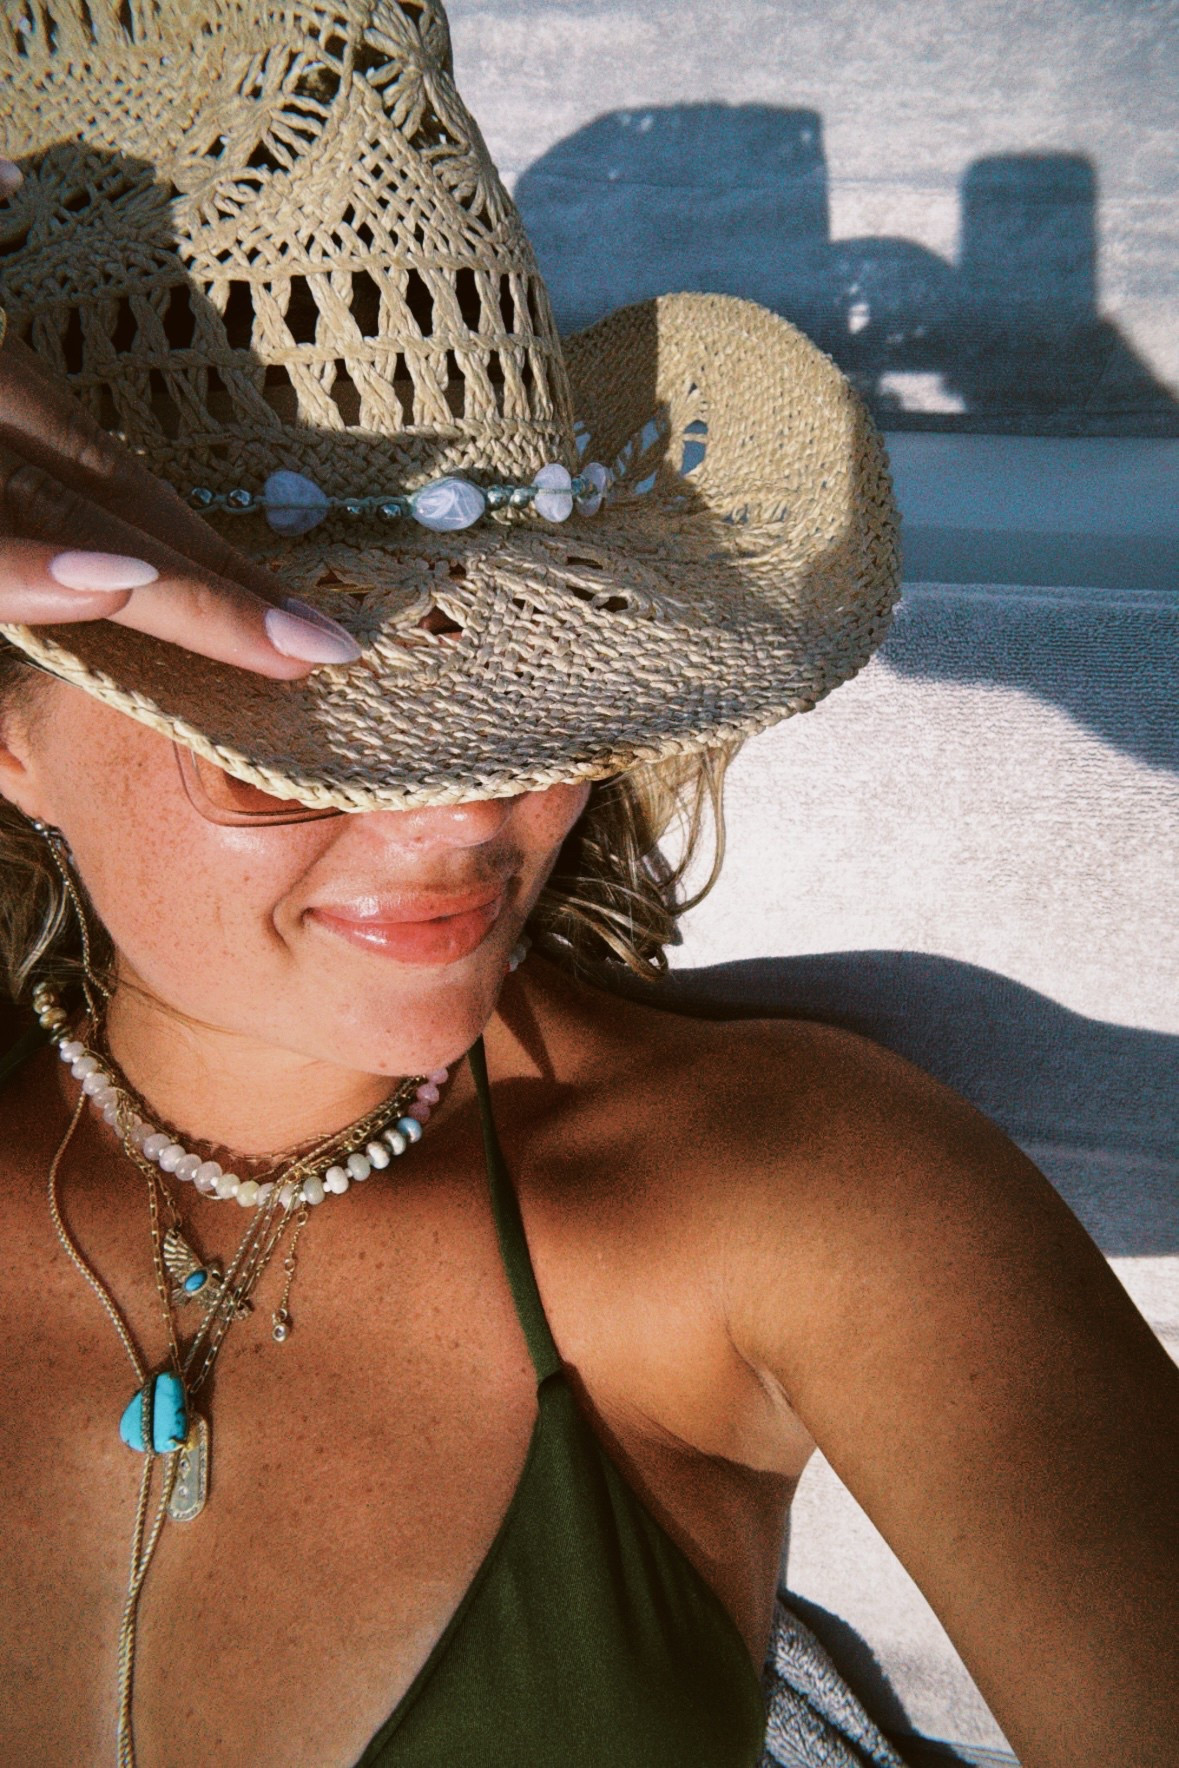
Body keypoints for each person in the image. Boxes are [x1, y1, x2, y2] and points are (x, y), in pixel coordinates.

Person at [0, 8, 1176, 1768]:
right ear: (14, 736)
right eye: (283, 741)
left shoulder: (789, 1200)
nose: (466, 814)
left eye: (529, 705)